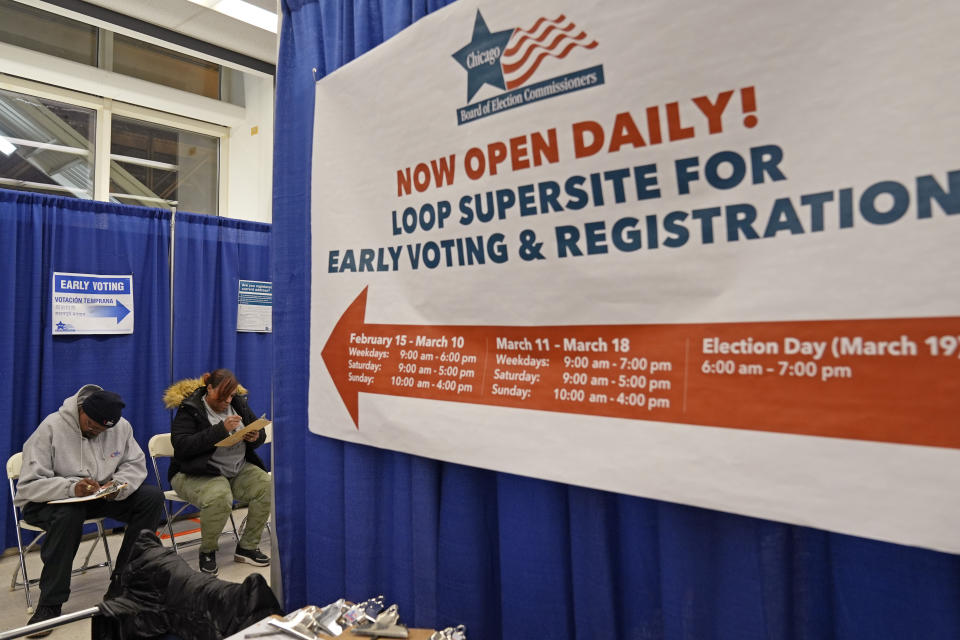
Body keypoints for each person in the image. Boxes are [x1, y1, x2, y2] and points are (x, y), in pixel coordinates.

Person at [15, 385, 164, 638]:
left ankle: (123, 584)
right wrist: (71, 488)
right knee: (68, 515)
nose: (96, 432)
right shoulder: (51, 427)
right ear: (81, 410)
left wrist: (119, 487)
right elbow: (29, 485)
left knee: (151, 497)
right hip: (48, 501)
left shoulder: (121, 427)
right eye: (91, 425)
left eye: (102, 430)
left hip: (95, 495)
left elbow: (134, 464)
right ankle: (50, 604)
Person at [168, 368, 271, 575]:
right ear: (209, 389)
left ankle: (247, 547)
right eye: (222, 397)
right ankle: (207, 551)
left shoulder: (238, 402)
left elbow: (257, 433)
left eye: (231, 396)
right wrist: (219, 430)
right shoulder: (191, 408)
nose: (227, 401)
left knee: (267, 487)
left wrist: (255, 437)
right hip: (196, 473)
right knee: (219, 496)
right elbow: (182, 445)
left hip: (235, 469)